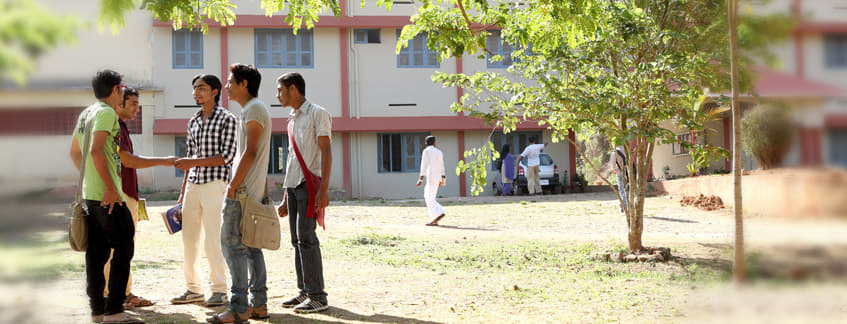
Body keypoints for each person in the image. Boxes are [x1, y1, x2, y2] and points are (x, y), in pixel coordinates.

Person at [69, 69, 143, 324]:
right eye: (122, 88)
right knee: (124, 247)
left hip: (91, 196)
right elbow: (96, 151)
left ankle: (97, 311)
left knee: (97, 254)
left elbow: (75, 152)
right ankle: (114, 311)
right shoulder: (106, 112)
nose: (123, 92)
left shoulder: (86, 113)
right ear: (115, 90)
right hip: (108, 196)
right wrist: (110, 187)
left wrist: (90, 178)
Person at [207, 64, 272, 324]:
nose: (226, 86)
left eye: (230, 81)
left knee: (232, 247)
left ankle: (238, 308)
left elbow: (251, 152)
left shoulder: (254, 109)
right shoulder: (252, 109)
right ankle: (259, 305)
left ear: (243, 84)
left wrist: (233, 185)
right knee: (251, 247)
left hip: (243, 192)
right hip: (250, 191)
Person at [103, 88, 176, 309]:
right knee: (117, 249)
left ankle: (122, 292)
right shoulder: (114, 126)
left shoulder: (119, 126)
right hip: (120, 195)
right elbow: (127, 160)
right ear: (119, 103)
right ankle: (113, 295)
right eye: (133, 103)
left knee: (122, 248)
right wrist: (164, 161)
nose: (137, 108)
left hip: (124, 194)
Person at [172, 74, 236, 307]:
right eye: (194, 88)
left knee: (213, 239)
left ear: (215, 92)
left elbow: (226, 157)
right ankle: (193, 289)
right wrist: (182, 195)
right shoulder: (193, 122)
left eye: (202, 88)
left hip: (215, 185)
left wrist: (193, 163)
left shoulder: (227, 119)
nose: (196, 92)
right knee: (189, 240)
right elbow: (189, 161)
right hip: (193, 186)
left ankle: (219, 290)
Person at [276, 72, 332, 314]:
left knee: (307, 240)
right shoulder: (291, 119)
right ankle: (304, 292)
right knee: (296, 241)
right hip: (293, 186)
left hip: (310, 187)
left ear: (293, 88)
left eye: (280, 90)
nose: (277, 95)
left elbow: (326, 151)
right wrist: (284, 195)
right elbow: (291, 158)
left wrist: (325, 190)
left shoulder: (318, 113)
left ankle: (318, 296)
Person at [417, 136, 446, 226]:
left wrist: (421, 178)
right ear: (434, 143)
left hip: (431, 178)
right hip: (438, 178)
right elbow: (442, 166)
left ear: (426, 143)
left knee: (429, 197)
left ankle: (438, 214)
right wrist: (443, 180)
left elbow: (424, 165)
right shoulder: (439, 152)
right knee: (430, 197)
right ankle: (437, 216)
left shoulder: (426, 151)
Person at [610, 145, 630, 214]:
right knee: (629, 190)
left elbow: (612, 166)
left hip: (620, 173)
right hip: (629, 173)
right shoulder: (627, 149)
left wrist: (613, 170)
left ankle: (623, 208)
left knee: (622, 190)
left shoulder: (615, 152)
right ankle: (630, 207)